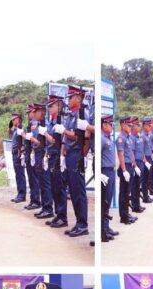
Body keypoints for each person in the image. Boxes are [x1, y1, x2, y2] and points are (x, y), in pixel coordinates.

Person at [61, 86, 90, 237]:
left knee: (79, 191)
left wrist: (82, 156)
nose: (68, 100)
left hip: (77, 155)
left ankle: (83, 224)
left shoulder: (82, 115)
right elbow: (68, 138)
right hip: (70, 155)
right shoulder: (72, 115)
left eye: (71, 97)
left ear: (78, 97)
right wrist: (63, 150)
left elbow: (82, 137)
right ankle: (79, 222)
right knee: (73, 191)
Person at [45, 96, 68, 228]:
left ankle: (63, 217)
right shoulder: (52, 122)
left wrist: (45, 134)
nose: (49, 108)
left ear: (59, 106)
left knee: (60, 188)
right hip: (51, 156)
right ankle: (58, 214)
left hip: (58, 156)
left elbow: (55, 141)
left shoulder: (60, 122)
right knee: (54, 187)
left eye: (51, 106)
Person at [117, 117, 137, 225]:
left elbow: (130, 153)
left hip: (129, 166)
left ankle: (127, 213)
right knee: (124, 192)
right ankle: (123, 216)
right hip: (125, 166)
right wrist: (124, 170)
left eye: (131, 125)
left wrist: (135, 165)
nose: (130, 127)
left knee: (127, 192)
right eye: (129, 125)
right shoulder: (121, 138)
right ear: (123, 125)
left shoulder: (128, 137)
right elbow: (121, 154)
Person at [101, 115, 118, 241]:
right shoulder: (101, 139)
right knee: (104, 201)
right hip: (105, 172)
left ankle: (106, 227)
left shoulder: (108, 138)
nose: (112, 126)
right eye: (110, 124)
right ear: (104, 125)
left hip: (111, 171)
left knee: (108, 200)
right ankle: (103, 230)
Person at [8, 113, 26, 202]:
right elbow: (8, 133)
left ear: (18, 119)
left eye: (13, 119)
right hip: (14, 153)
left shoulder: (21, 129)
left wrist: (22, 152)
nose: (12, 121)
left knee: (20, 174)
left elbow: (25, 140)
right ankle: (19, 194)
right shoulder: (15, 129)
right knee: (17, 175)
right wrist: (10, 124)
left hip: (18, 153)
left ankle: (22, 195)